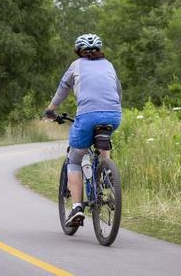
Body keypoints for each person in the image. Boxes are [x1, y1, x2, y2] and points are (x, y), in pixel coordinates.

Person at [45, 33, 122, 226]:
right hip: (114, 114)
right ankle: (107, 170)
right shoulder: (109, 65)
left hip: (88, 115)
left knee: (75, 159)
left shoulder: (76, 65)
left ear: (79, 51)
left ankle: (77, 207)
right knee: (104, 137)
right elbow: (118, 91)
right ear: (99, 50)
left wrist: (50, 110)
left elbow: (63, 89)